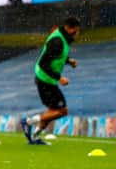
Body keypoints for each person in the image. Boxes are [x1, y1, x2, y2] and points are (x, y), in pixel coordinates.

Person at [21, 16, 80, 145]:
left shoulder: (63, 39)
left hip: (48, 80)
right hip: (45, 80)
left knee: (53, 111)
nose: (78, 34)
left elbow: (56, 56)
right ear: (71, 29)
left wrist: (68, 61)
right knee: (62, 111)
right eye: (77, 30)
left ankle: (35, 138)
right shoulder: (58, 41)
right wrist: (60, 78)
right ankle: (28, 122)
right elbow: (43, 63)